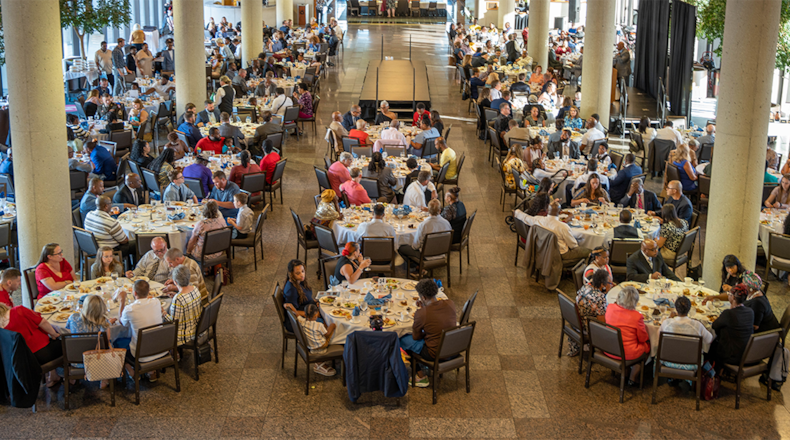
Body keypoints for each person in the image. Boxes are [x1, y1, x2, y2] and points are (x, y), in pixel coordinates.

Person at [0, 303, 63, 387]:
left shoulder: (2, 330)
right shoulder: (18, 310)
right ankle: (71, 374)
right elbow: (42, 322)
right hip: (44, 353)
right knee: (66, 343)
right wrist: (54, 334)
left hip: (26, 362)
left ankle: (53, 375)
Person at [409, 279, 457, 387]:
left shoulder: (421, 314)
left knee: (404, 340)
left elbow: (416, 337)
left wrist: (425, 332)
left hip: (435, 354)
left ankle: (420, 376)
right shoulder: (450, 303)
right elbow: (439, 319)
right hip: (454, 348)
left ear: (423, 298)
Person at [658, 296, 715, 384]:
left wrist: (669, 318)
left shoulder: (666, 323)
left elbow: (658, 338)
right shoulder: (697, 325)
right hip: (691, 363)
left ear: (676, 309)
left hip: (668, 361)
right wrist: (702, 326)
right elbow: (709, 340)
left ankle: (660, 378)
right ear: (689, 309)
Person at [605, 286, 649, 385]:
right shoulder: (637, 317)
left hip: (608, 349)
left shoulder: (610, 307)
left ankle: (625, 371)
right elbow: (643, 338)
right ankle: (633, 376)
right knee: (647, 346)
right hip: (626, 354)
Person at [707, 284, 754, 373]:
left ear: (733, 297)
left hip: (731, 356)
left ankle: (711, 371)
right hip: (746, 353)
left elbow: (714, 326)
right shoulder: (750, 312)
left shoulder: (728, 314)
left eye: (729, 294)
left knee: (710, 344)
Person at [566, 269, 611, 356]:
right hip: (586, 328)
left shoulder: (586, 286)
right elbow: (602, 323)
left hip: (576, 322)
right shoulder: (599, 297)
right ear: (603, 285)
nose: (611, 285)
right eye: (610, 283)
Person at [397, 199, 452, 267]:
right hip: (442, 253)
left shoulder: (424, 225)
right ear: (440, 210)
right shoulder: (447, 223)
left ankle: (417, 266)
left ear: (428, 210)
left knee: (400, 248)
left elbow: (415, 246)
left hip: (426, 256)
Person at [296, 303, 338, 376]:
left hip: (310, 345)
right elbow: (327, 334)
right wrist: (332, 325)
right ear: (316, 314)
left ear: (305, 314)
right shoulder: (319, 325)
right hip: (321, 346)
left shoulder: (302, 321)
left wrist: (291, 307)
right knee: (331, 328)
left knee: (325, 326)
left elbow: (297, 315)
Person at [281, 259, 317, 332]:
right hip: (296, 322)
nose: (302, 275)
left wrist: (314, 302)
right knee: (324, 323)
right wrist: (311, 315)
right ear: (291, 274)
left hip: (306, 310)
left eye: (303, 271)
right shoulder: (291, 290)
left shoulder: (300, 281)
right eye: (298, 273)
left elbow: (305, 298)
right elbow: (292, 311)